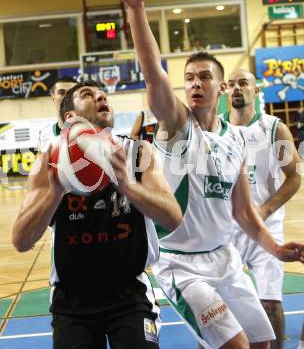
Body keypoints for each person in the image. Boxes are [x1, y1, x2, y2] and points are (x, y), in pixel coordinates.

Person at [100, 0, 304, 349]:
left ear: (222, 86)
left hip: (225, 259)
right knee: (236, 346)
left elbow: (244, 213)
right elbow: (152, 73)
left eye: (204, 77)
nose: (195, 83)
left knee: (263, 344)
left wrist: (276, 248)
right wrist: (135, 8)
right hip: (181, 264)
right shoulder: (177, 124)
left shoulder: (237, 140)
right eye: (190, 78)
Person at [12, 80, 183, 349]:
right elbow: (21, 240)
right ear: (70, 116)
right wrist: (54, 193)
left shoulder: (138, 153)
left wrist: (127, 186)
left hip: (129, 292)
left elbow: (173, 218)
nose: (100, 97)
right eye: (88, 95)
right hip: (72, 298)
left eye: (103, 94)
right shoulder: (50, 159)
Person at [224, 68, 301, 349]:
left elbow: (294, 178)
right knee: (217, 308)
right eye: (231, 84)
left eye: (243, 83)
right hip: (227, 226)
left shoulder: (273, 128)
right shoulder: (216, 130)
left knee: (270, 302)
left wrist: (266, 209)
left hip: (266, 225)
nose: (236, 89)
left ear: (256, 91)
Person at [38, 76, 78, 152]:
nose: (67, 97)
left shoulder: (91, 132)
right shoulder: (44, 136)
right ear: (53, 97)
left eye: (72, 93)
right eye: (62, 93)